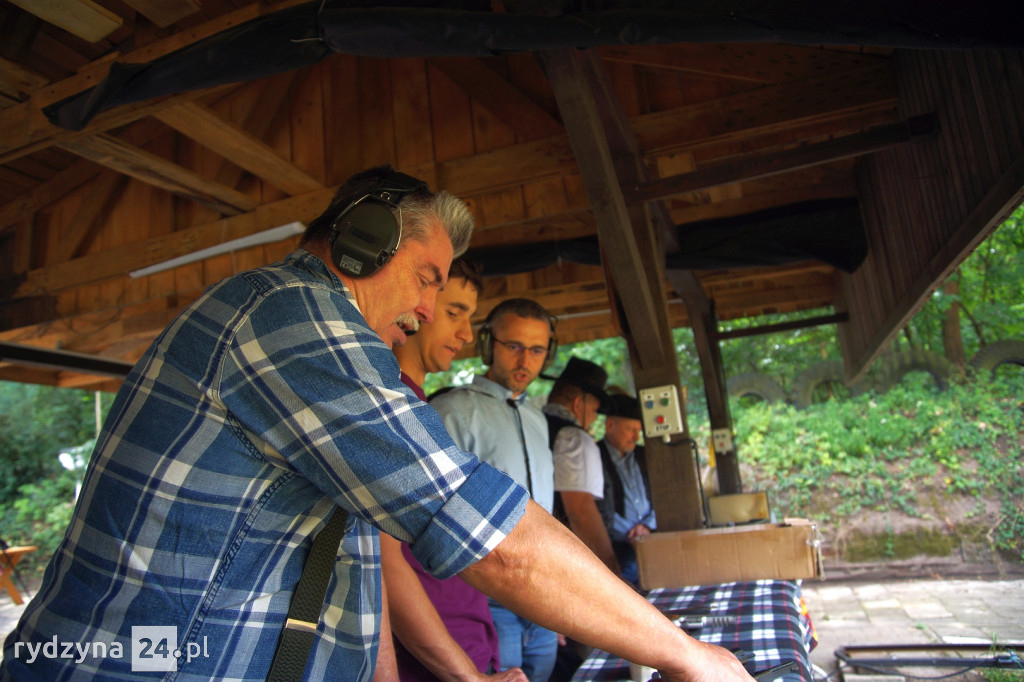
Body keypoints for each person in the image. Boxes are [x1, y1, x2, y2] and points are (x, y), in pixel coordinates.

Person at [2, 165, 755, 682]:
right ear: (361, 240)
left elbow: (358, 578)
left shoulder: (338, 389)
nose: (428, 311)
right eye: (428, 278)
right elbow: (495, 543)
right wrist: (686, 655)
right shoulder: (290, 313)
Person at [385, 257, 527, 682]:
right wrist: (467, 676)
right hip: (435, 662)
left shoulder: (419, 407)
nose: (466, 334)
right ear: (418, 304)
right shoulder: (392, 409)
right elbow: (382, 566)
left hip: (465, 639)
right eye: (454, 313)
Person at [428, 298, 559, 682]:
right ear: (488, 345)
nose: (525, 360)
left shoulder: (538, 419)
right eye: (513, 346)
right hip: (486, 597)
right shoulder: (452, 410)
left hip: (543, 595)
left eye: (537, 350)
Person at [543, 357, 619, 576]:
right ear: (578, 404)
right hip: (571, 563)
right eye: (594, 410)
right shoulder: (575, 438)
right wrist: (613, 574)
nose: (594, 418)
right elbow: (580, 511)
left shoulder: (531, 427)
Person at [598, 389, 657, 587]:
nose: (635, 437)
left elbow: (661, 495)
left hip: (652, 539)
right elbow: (596, 507)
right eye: (630, 430)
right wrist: (631, 533)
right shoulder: (595, 456)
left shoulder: (644, 455)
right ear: (610, 425)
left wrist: (647, 525)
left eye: (638, 431)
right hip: (617, 547)